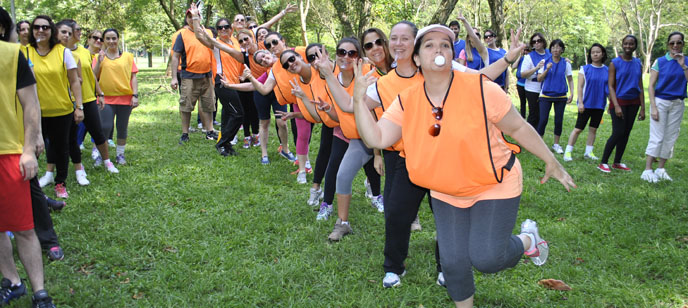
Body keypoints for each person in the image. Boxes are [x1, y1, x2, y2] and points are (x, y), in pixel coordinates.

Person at [352, 24, 575, 308]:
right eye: (430, 45)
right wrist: (359, 99)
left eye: (445, 45)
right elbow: (377, 137)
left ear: (452, 55)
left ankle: (528, 240)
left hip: (494, 183)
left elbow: (518, 127)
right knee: (454, 261)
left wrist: (551, 160)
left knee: (487, 259)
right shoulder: (406, 101)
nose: (439, 49)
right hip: (446, 190)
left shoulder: (480, 88)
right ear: (417, 58)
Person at [0, 10, 57, 306]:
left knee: (23, 228)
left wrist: (27, 148)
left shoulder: (11, 55)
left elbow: (31, 104)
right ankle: (12, 281)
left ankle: (40, 292)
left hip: (7, 154)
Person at [29, 15, 84, 198]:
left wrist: (79, 106)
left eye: (45, 27)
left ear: (51, 31)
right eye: (37, 27)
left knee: (61, 148)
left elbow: (74, 81)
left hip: (61, 111)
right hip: (34, 112)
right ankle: (30, 186)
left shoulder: (62, 52)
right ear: (32, 30)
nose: (41, 30)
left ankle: (60, 183)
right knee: (33, 149)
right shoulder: (25, 52)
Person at [60, 20, 118, 173]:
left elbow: (91, 74)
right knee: (70, 138)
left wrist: (100, 93)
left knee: (98, 133)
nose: (80, 32)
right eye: (77, 29)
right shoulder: (60, 52)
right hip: (68, 101)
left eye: (80, 29)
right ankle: (74, 168)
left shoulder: (84, 51)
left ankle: (107, 162)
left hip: (89, 99)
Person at [188, 9, 245, 157]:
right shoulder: (215, 44)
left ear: (231, 28)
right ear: (217, 31)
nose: (223, 29)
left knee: (228, 116)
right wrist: (195, 17)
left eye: (226, 26)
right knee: (238, 115)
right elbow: (199, 35)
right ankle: (222, 143)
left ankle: (226, 145)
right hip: (223, 83)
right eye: (220, 28)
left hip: (236, 83)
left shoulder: (235, 42)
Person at [641, 31, 687, 183]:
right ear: (668, 45)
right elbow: (651, 86)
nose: (675, 46)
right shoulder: (660, 61)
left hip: (677, 103)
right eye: (672, 43)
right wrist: (653, 107)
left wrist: (683, 66)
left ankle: (661, 169)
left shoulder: (686, 61)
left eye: (678, 42)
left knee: (671, 136)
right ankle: (647, 170)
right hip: (661, 102)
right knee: (657, 137)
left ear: (683, 44)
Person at [170, 7, 218, 144]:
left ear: (200, 18)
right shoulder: (183, 34)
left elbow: (214, 49)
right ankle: (185, 133)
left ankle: (209, 130)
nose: (192, 19)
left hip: (207, 75)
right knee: (186, 105)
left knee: (208, 104)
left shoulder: (208, 32)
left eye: (195, 16)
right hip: (189, 75)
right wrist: (174, 77)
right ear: (187, 19)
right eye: (189, 17)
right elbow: (175, 56)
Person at [92, 28, 138, 165]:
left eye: (114, 38)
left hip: (125, 98)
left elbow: (133, 77)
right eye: (108, 39)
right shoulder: (98, 57)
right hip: (105, 98)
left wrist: (135, 95)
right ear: (104, 41)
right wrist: (100, 61)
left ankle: (120, 154)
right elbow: (93, 76)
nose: (111, 41)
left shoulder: (128, 57)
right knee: (104, 126)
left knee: (122, 127)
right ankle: (101, 154)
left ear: (118, 39)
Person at [600, 35, 645, 172]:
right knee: (618, 132)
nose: (628, 46)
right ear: (622, 44)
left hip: (634, 102)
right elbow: (611, 86)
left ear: (635, 46)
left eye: (631, 44)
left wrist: (643, 108)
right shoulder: (615, 63)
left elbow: (640, 85)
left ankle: (617, 162)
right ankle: (603, 162)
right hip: (619, 101)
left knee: (626, 133)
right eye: (626, 43)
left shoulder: (638, 63)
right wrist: (616, 105)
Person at [564, 43, 608, 163]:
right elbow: (580, 87)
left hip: (599, 104)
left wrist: (609, 105)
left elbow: (608, 88)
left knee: (593, 129)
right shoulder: (585, 69)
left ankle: (589, 151)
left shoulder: (607, 70)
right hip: (586, 104)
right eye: (593, 52)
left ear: (602, 53)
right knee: (578, 129)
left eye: (598, 52)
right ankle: (568, 151)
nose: (595, 54)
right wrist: (581, 103)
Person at [536, 39, 574, 154]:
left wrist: (572, 93)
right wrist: (547, 69)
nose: (555, 50)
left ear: (562, 50)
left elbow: (570, 79)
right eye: (553, 47)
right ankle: (539, 144)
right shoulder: (544, 61)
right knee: (543, 120)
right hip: (545, 95)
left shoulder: (566, 63)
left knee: (558, 120)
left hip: (561, 96)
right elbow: (539, 79)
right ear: (550, 49)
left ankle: (556, 144)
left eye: (558, 47)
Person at [519, 33, 551, 128]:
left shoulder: (549, 53)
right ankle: (529, 137)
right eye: (534, 42)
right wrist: (536, 68)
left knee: (543, 116)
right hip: (533, 88)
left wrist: (565, 60)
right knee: (534, 115)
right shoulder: (529, 57)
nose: (536, 43)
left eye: (539, 41)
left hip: (547, 88)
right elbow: (523, 74)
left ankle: (539, 137)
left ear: (543, 42)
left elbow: (558, 60)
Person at [513, 46, 531, 118]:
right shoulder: (521, 58)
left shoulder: (531, 59)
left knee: (530, 102)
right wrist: (520, 56)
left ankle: (531, 118)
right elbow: (514, 66)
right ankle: (522, 117)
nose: (526, 52)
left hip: (529, 84)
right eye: (524, 50)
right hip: (520, 83)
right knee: (522, 102)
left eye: (527, 50)